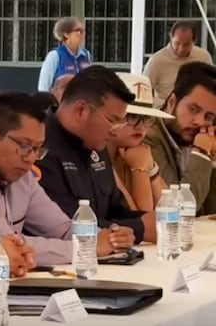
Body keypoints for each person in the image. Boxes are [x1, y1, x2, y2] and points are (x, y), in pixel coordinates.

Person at [0, 92, 130, 267]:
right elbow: (6, 245)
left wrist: (108, 238)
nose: (30, 158)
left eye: (37, 149)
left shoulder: (22, 176)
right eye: (24, 146)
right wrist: (85, 248)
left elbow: (61, 228)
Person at [36, 65, 143, 246]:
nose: (115, 130)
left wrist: (148, 220)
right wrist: (140, 228)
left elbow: (117, 209)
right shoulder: (40, 144)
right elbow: (64, 224)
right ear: (81, 110)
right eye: (112, 120)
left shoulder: (95, 142)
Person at [105, 74, 174, 243]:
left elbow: (172, 210)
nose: (141, 127)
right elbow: (145, 222)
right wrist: (140, 169)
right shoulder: (99, 157)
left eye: (147, 119)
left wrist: (151, 169)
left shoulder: (138, 151)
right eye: (133, 117)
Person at [143, 61, 216, 215]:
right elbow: (179, 210)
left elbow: (210, 211)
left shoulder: (199, 138)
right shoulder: (148, 137)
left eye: (209, 117)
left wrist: (212, 159)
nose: (199, 122)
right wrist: (201, 154)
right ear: (172, 102)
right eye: (193, 109)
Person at [143, 20, 213, 105]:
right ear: (171, 38)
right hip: (166, 107)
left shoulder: (203, 57)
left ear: (194, 41)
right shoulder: (157, 60)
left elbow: (212, 85)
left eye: (186, 44)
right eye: (177, 43)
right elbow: (143, 89)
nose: (181, 49)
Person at [37, 17, 91, 92]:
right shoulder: (55, 55)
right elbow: (43, 87)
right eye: (78, 31)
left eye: (83, 31)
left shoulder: (86, 54)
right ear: (66, 34)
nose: (82, 34)